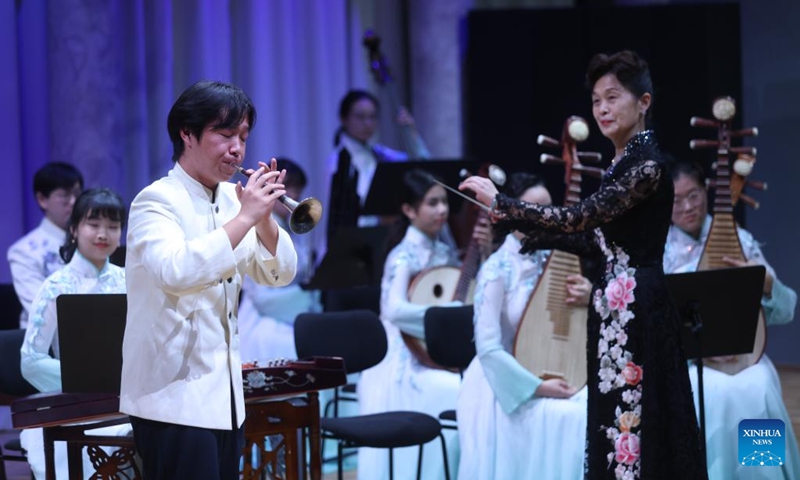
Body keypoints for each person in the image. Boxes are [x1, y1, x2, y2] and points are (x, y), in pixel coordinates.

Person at [459, 50, 708, 480]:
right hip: (613, 308)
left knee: (637, 421)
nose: (603, 109)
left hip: (638, 311)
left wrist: (504, 204)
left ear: (643, 102)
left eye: (613, 97)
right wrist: (525, 233)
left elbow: (579, 217)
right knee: (614, 421)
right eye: (596, 101)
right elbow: (591, 239)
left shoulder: (645, 168)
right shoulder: (619, 168)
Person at [118, 80, 298, 480]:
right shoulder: (156, 201)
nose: (237, 148)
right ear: (187, 133)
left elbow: (279, 273)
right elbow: (178, 272)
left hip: (225, 399)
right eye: (225, 133)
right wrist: (247, 217)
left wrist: (264, 216)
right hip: (171, 398)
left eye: (244, 137)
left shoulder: (235, 202)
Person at [663, 159, 800, 480]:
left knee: (759, 388)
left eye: (693, 195)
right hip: (692, 364)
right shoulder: (659, 250)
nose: (686, 207)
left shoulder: (739, 239)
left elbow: (785, 311)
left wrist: (764, 283)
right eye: (676, 200)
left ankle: (760, 475)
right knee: (710, 395)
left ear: (706, 192)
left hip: (744, 358)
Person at [456, 172, 591, 480]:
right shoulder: (497, 270)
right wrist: (538, 388)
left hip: (556, 368)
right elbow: (488, 348)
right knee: (570, 417)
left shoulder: (562, 259)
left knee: (595, 411)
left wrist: (590, 295)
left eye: (547, 208)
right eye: (532, 209)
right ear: (510, 212)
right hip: (504, 384)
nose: (541, 217)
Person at [358, 168, 487, 480]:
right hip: (403, 360)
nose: (442, 210)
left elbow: (467, 295)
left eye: (444, 202)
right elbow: (393, 310)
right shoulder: (402, 256)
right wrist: (442, 320)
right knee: (455, 391)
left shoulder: (443, 250)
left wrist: (483, 253)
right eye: (432, 203)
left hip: (432, 352)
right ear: (408, 209)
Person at [19, 187, 129, 479]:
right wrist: (84, 381)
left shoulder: (129, 281)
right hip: (75, 408)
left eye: (113, 226)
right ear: (74, 229)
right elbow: (31, 360)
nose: (103, 234)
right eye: (93, 224)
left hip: (127, 401)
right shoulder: (55, 286)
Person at [324, 90, 431, 248]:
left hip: (382, 238)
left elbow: (420, 165)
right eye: (360, 117)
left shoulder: (379, 153)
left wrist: (410, 131)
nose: (367, 123)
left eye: (372, 117)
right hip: (356, 242)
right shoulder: (338, 161)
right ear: (344, 119)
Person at [238, 157, 321, 362]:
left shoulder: (292, 229)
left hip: (289, 311)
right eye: (288, 189)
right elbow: (261, 296)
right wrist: (303, 295)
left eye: (297, 190)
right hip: (264, 317)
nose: (294, 196)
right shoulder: (257, 228)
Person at [8, 162, 84, 328]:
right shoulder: (23, 251)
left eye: (77, 194)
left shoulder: (93, 241)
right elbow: (39, 308)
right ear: (42, 199)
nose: (73, 201)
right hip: (45, 340)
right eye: (64, 195)